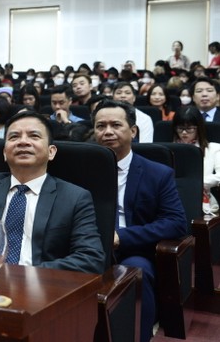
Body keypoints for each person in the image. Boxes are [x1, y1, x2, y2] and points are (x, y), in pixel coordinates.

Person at [0, 110, 104, 274]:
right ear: (4, 153)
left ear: (51, 152)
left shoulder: (75, 198)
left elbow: (90, 259)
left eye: (34, 136)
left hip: (41, 288)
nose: (23, 142)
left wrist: (25, 273)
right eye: (14, 137)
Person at [92, 100, 186, 342]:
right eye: (100, 126)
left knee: (135, 271)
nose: (108, 131)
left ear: (133, 131)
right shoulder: (84, 170)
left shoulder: (157, 173)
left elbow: (176, 222)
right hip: (89, 248)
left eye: (115, 125)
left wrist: (121, 237)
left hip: (133, 250)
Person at [172, 106, 220, 214]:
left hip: (202, 201)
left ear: (199, 128)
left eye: (189, 129)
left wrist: (194, 183)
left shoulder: (213, 148)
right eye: (180, 128)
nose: (184, 133)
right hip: (172, 198)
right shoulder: (167, 150)